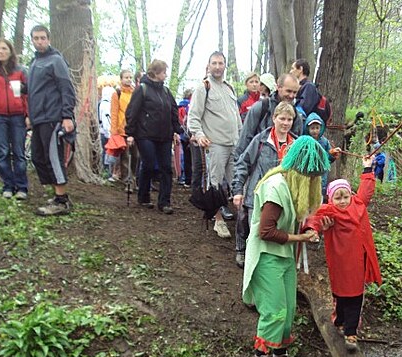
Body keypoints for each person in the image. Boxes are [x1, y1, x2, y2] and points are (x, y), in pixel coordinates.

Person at [243, 135, 329, 357]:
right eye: (311, 178)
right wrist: (299, 237)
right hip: (266, 256)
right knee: (274, 311)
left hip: (284, 256)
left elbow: (305, 214)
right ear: (299, 171)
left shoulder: (294, 186)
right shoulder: (276, 187)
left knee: (288, 310)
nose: (313, 182)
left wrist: (311, 228)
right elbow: (266, 231)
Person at [304, 156, 382, 352]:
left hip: (356, 262)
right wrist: (311, 230)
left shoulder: (358, 205)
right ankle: (339, 320)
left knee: (355, 296)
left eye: (345, 196)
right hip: (339, 262)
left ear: (351, 195)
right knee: (340, 295)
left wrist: (367, 169)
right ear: (330, 198)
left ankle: (351, 333)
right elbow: (314, 217)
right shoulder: (330, 211)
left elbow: (366, 191)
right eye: (337, 197)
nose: (342, 201)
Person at [232, 102, 297, 269]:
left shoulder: (296, 144)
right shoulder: (261, 140)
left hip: (284, 195)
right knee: (252, 227)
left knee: (276, 227)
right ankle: (242, 251)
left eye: (289, 119)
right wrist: (238, 190)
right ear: (274, 118)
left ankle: (270, 260)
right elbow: (243, 163)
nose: (285, 123)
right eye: (282, 118)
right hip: (259, 193)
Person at [187, 51, 241, 238]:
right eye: (214, 63)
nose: (218, 67)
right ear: (208, 65)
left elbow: (236, 117)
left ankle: (243, 219)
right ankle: (218, 220)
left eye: (221, 63)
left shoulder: (229, 89)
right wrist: (199, 135)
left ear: (225, 65)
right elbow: (193, 116)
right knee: (214, 184)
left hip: (233, 144)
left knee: (237, 182)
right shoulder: (204, 88)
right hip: (215, 144)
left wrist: (241, 138)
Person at [27, 25, 76, 216]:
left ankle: (62, 202)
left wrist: (67, 115)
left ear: (49, 39)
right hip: (38, 118)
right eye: (36, 38)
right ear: (31, 40)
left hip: (53, 117)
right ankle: (57, 195)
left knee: (52, 158)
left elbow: (66, 88)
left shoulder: (55, 61)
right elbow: (33, 92)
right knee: (38, 157)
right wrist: (29, 115)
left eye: (42, 38)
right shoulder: (34, 63)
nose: (39, 41)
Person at [125, 59, 181, 214]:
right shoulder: (142, 89)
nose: (166, 74)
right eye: (164, 72)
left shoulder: (166, 91)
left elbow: (173, 111)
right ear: (156, 73)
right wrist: (129, 133)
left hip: (164, 135)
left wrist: (177, 130)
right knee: (148, 164)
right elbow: (132, 111)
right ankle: (143, 196)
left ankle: (164, 202)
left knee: (166, 168)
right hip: (145, 134)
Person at [0, 38, 29, 200]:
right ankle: (8, 186)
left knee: (19, 152)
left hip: (17, 116)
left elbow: (27, 94)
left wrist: (28, 115)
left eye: (4, 49)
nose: (1, 52)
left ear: (10, 51)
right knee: (3, 152)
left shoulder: (20, 70)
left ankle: (22, 187)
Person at [110, 69, 139, 184]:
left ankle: (133, 177)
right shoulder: (117, 93)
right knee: (125, 156)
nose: (128, 79)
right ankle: (127, 179)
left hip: (135, 128)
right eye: (126, 77)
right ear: (121, 79)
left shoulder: (135, 93)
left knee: (136, 155)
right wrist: (114, 130)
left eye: (130, 77)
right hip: (122, 128)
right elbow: (114, 112)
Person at [303, 112, 340, 198]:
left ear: (321, 128)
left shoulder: (325, 142)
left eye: (317, 128)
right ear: (307, 128)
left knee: (320, 193)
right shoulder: (304, 142)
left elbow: (329, 159)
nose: (315, 130)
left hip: (322, 174)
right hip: (308, 175)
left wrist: (333, 154)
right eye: (312, 128)